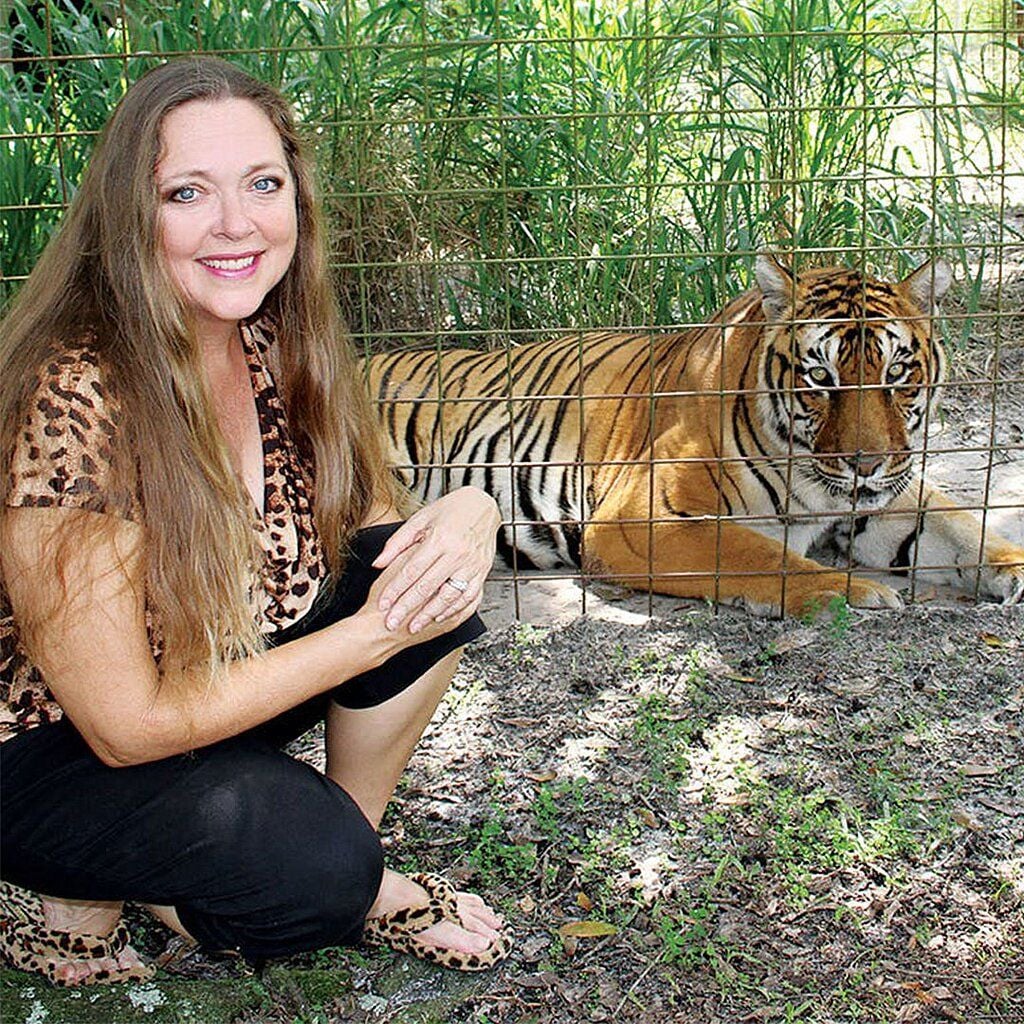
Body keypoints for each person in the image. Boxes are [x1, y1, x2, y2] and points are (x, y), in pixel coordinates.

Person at [0, 55, 510, 987]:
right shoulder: (72, 396)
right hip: (47, 742)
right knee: (315, 872)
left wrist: (473, 513)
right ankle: (122, 874)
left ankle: (335, 848)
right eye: (187, 192)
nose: (236, 224)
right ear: (129, 214)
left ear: (296, 200)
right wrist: (370, 635)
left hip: (186, 684)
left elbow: (375, 525)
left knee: (417, 573)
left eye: (262, 184)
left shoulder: (264, 334)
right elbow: (124, 727)